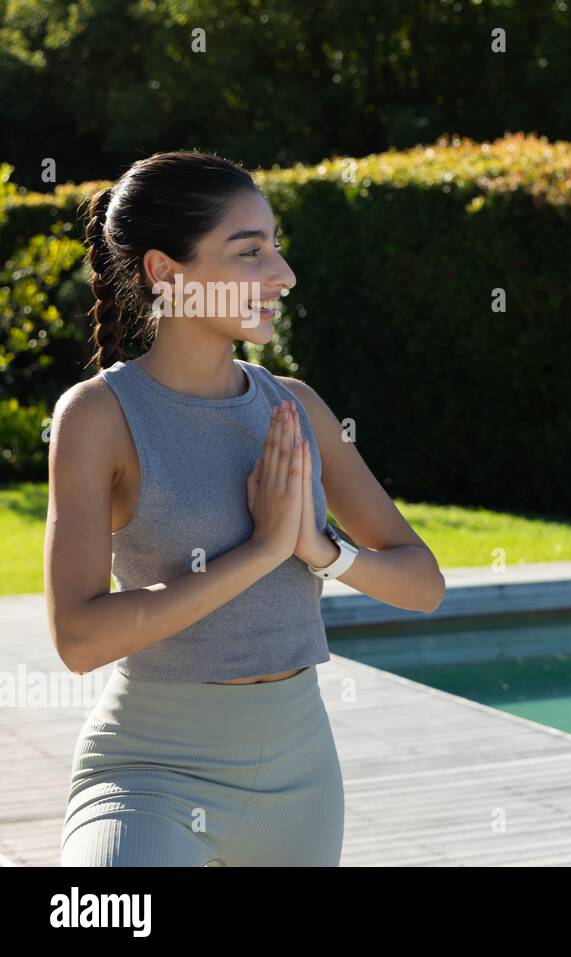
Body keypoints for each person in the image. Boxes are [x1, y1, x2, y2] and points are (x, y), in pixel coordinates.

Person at [44, 149, 446, 865]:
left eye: (276, 246)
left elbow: (423, 583)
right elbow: (79, 637)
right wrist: (261, 551)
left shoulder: (297, 407)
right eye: (249, 250)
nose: (282, 273)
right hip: (149, 772)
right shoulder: (100, 414)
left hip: (299, 776)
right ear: (167, 271)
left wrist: (322, 550)